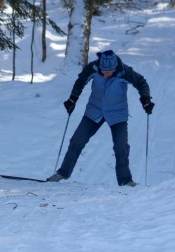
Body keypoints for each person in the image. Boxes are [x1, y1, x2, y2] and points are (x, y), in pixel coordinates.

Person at [47, 48, 154, 186]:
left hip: (117, 114)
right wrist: (73, 99)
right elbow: (80, 81)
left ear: (115, 68)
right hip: (95, 111)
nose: (104, 73)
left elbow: (141, 82)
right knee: (76, 140)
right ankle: (63, 173)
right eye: (103, 70)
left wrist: (145, 99)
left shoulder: (124, 71)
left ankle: (125, 180)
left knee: (121, 146)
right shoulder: (93, 68)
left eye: (108, 71)